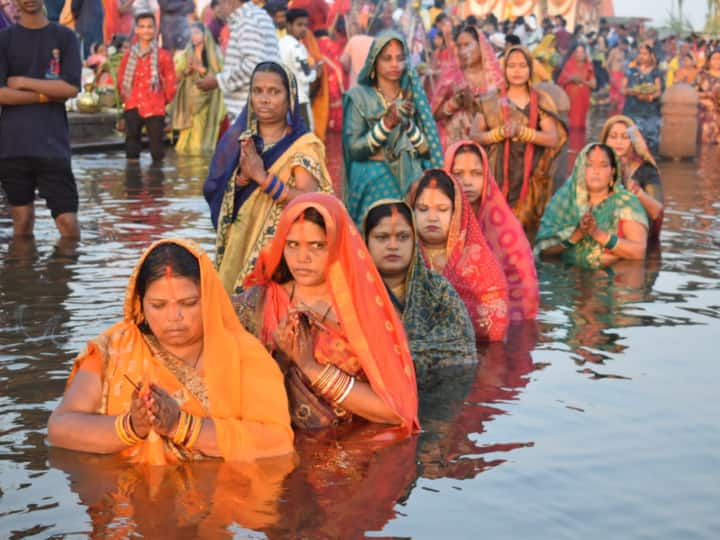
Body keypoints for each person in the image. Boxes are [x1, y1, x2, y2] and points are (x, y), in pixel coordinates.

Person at [47, 239, 295, 462]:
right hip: (133, 503)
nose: (174, 317)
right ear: (140, 304)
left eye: (189, 303)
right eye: (158, 305)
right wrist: (132, 426)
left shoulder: (244, 355)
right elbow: (60, 428)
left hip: (223, 504)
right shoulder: (114, 350)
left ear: (209, 299)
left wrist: (182, 426)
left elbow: (277, 442)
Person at [234, 193, 420, 433]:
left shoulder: (365, 310)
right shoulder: (255, 304)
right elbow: (227, 390)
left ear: (338, 246)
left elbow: (397, 411)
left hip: (353, 448)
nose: (302, 258)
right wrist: (281, 357)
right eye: (292, 245)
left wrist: (310, 366)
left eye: (317, 246)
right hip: (275, 443)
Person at [204, 62, 333, 294]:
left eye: (274, 92)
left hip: (285, 252)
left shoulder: (303, 146)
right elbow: (217, 192)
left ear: (290, 98)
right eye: (257, 91)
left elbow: (310, 201)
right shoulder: (241, 141)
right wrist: (243, 177)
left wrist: (262, 178)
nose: (264, 99)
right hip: (241, 243)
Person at [363, 200, 476, 375]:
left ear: (415, 240)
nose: (393, 246)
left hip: (438, 392)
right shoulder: (352, 291)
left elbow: (462, 352)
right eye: (382, 237)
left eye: (403, 237)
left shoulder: (438, 290)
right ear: (365, 242)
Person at [343, 30, 442, 226]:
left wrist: (406, 125)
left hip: (411, 182)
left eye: (400, 58)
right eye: (387, 58)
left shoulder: (412, 97)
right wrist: (386, 125)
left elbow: (425, 150)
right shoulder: (359, 97)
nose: (395, 64)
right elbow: (354, 149)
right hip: (372, 180)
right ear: (374, 62)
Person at [0, 0, 81, 239]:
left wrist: (24, 83)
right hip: (13, 146)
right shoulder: (5, 40)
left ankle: (66, 273)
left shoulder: (64, 37)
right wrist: (47, 95)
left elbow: (70, 88)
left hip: (52, 145)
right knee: (22, 223)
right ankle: (24, 275)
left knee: (67, 223)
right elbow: (1, 93)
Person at [469, 45, 567, 238]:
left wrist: (522, 132)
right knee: (494, 231)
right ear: (503, 69)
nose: (517, 70)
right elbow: (474, 135)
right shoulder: (491, 100)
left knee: (524, 230)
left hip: (530, 173)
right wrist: (498, 133)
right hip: (497, 170)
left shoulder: (540, 100)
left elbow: (553, 138)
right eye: (511, 65)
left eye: (522, 65)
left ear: (531, 69)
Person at [407, 169, 509, 342]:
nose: (432, 218)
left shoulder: (479, 262)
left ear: (457, 213)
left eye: (442, 209)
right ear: (412, 211)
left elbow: (496, 325)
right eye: (423, 209)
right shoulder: (402, 254)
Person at [444, 141, 539, 322]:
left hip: (499, 320)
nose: (467, 182)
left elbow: (523, 282)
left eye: (476, 174)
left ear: (487, 176)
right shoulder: (437, 219)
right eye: (458, 174)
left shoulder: (505, 227)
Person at [535, 143, 648, 268]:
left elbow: (639, 252)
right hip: (567, 279)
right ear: (580, 170)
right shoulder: (564, 199)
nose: (596, 170)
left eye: (603, 165)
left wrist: (597, 234)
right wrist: (575, 236)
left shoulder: (625, 202)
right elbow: (542, 252)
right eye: (589, 165)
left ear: (612, 172)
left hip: (613, 280)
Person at [196, 0, 279, 122]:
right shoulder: (256, 15)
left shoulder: (248, 20)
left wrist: (217, 81)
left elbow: (253, 66)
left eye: (219, 3)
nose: (217, 9)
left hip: (251, 111)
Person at [431, 24, 505, 148]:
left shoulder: (496, 76)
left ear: (480, 46)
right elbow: (433, 115)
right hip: (456, 144)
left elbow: (506, 110)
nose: (462, 51)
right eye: (459, 46)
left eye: (467, 45)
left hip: (491, 142)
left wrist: (478, 105)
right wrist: (454, 103)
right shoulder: (452, 76)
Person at [117, 12, 176, 163]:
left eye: (150, 27)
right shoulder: (129, 55)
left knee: (157, 149)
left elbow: (170, 82)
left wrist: (163, 100)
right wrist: (127, 98)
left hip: (155, 105)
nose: (146, 30)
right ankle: (132, 184)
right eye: (142, 27)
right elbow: (121, 79)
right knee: (131, 146)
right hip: (133, 104)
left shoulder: (163, 55)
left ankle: (157, 184)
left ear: (155, 29)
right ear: (136, 30)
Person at [600, 115, 664, 241]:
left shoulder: (646, 170)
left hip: (638, 238)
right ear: (605, 140)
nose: (618, 142)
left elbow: (657, 212)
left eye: (625, 137)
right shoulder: (597, 166)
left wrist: (635, 190)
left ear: (633, 141)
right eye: (613, 137)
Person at [171, 23, 227, 155]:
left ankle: (200, 162)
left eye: (197, 33)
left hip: (207, 101)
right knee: (185, 141)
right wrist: (186, 71)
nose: (193, 36)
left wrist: (199, 68)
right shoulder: (185, 54)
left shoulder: (215, 55)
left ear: (205, 35)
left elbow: (219, 78)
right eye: (191, 33)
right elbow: (176, 78)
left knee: (201, 139)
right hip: (189, 101)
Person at [279, 8, 318, 131]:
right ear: (289, 25)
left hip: (283, 100)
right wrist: (315, 70)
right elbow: (306, 76)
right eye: (299, 24)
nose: (303, 29)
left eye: (306, 25)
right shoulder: (297, 47)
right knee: (305, 138)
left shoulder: (280, 44)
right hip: (299, 100)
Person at [621, 44, 663, 155]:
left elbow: (658, 91)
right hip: (632, 111)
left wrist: (650, 96)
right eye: (640, 53)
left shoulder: (656, 72)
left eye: (645, 54)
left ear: (650, 56)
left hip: (650, 112)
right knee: (632, 141)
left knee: (651, 142)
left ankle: (649, 165)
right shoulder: (630, 70)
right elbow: (622, 89)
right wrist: (634, 92)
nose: (642, 56)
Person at [558, 44, 597, 132]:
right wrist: (571, 79)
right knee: (572, 125)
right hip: (571, 99)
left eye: (582, 52)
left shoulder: (589, 66)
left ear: (585, 54)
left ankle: (580, 143)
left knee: (581, 124)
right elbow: (560, 82)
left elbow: (594, 84)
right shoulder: (569, 64)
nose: (579, 54)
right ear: (574, 53)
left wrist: (582, 80)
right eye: (577, 52)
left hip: (584, 100)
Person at [694, 49, 720, 145]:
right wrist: (706, 96)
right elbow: (693, 92)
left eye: (719, 59)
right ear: (709, 61)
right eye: (714, 58)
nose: (717, 61)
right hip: (706, 111)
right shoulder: (702, 75)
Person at [607, 37, 629, 115]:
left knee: (621, 96)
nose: (625, 48)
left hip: (621, 75)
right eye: (625, 46)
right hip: (614, 75)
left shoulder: (623, 53)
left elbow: (623, 65)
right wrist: (611, 76)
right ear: (621, 44)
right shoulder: (613, 51)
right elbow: (608, 65)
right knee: (616, 96)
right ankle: (611, 114)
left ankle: (618, 115)